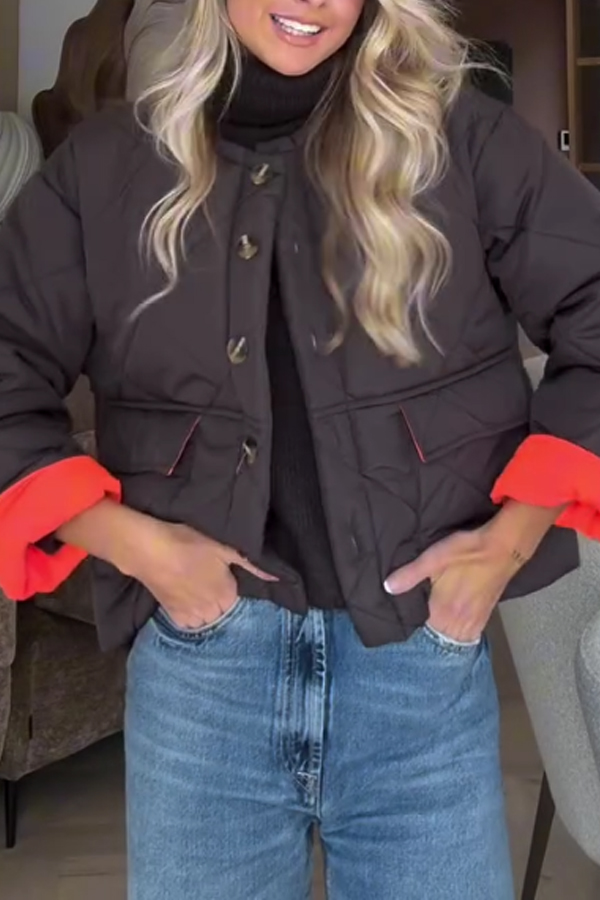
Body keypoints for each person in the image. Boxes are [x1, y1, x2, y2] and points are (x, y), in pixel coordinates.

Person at [1, 0, 600, 897]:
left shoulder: (463, 143)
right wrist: (139, 547)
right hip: (203, 677)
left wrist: (507, 543)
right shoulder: (106, 168)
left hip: (417, 666)